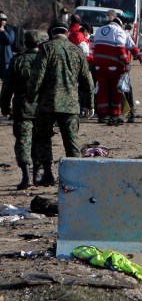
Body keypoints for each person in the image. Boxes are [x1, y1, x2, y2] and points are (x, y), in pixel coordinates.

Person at [26, 22, 94, 186]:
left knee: (43, 138)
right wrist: (90, 104)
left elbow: (37, 76)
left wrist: (30, 97)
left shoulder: (46, 48)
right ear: (66, 32)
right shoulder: (77, 50)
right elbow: (87, 80)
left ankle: (48, 174)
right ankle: (76, 177)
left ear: (51, 33)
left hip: (47, 103)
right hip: (70, 104)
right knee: (71, 141)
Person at [0, 30, 48, 188]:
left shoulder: (17, 60)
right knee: (40, 141)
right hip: (43, 106)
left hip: (22, 106)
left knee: (23, 141)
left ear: (25, 43)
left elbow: (7, 86)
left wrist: (5, 106)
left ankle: (26, 176)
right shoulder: (45, 59)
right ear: (39, 43)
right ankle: (37, 174)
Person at [92, 10, 140, 125]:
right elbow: (123, 48)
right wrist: (128, 62)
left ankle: (102, 115)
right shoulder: (120, 32)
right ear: (121, 24)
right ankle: (114, 114)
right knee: (116, 91)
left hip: (99, 66)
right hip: (114, 67)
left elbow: (93, 46)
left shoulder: (99, 30)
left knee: (102, 90)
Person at [0, 12, 18, 80]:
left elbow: (10, 41)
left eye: (4, 20)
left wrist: (3, 31)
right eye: (1, 20)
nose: (3, 22)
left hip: (6, 59)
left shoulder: (9, 30)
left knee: (6, 79)